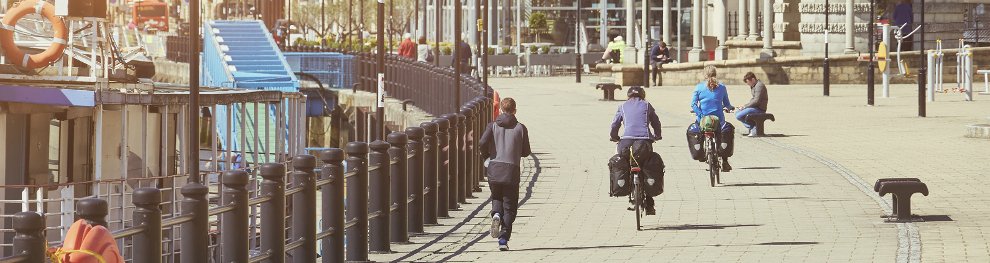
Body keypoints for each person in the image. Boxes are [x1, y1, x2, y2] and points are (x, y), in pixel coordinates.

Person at [480, 97, 531, 251]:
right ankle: (503, 239)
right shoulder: (521, 128)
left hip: (494, 170)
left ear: (501, 110)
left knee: (496, 197)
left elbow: (482, 143)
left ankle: (496, 215)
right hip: (511, 172)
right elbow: (526, 152)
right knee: (509, 207)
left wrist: (486, 157)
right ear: (515, 110)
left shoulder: (492, 126)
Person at [609, 86, 662, 215]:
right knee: (646, 166)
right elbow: (656, 122)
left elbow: (615, 124)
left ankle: (626, 186)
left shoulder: (622, 106)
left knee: (623, 160)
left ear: (628, 96)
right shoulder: (647, 105)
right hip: (644, 142)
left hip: (625, 142)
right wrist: (657, 135)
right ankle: (649, 203)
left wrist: (614, 136)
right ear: (643, 95)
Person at [690, 65, 734, 172]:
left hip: (703, 120)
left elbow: (693, 104)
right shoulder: (722, 87)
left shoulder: (699, 87)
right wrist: (729, 108)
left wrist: (700, 114)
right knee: (723, 134)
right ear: (715, 74)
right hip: (718, 120)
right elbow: (727, 104)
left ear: (704, 75)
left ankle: (701, 154)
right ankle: (724, 161)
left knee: (698, 132)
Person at [735, 72, 769, 137]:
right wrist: (743, 106)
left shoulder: (759, 86)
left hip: (760, 109)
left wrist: (745, 107)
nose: (748, 84)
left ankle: (754, 127)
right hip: (755, 107)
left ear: (753, 79)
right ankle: (753, 127)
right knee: (737, 113)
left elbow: (756, 101)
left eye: (748, 82)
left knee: (738, 115)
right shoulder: (754, 85)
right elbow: (753, 99)